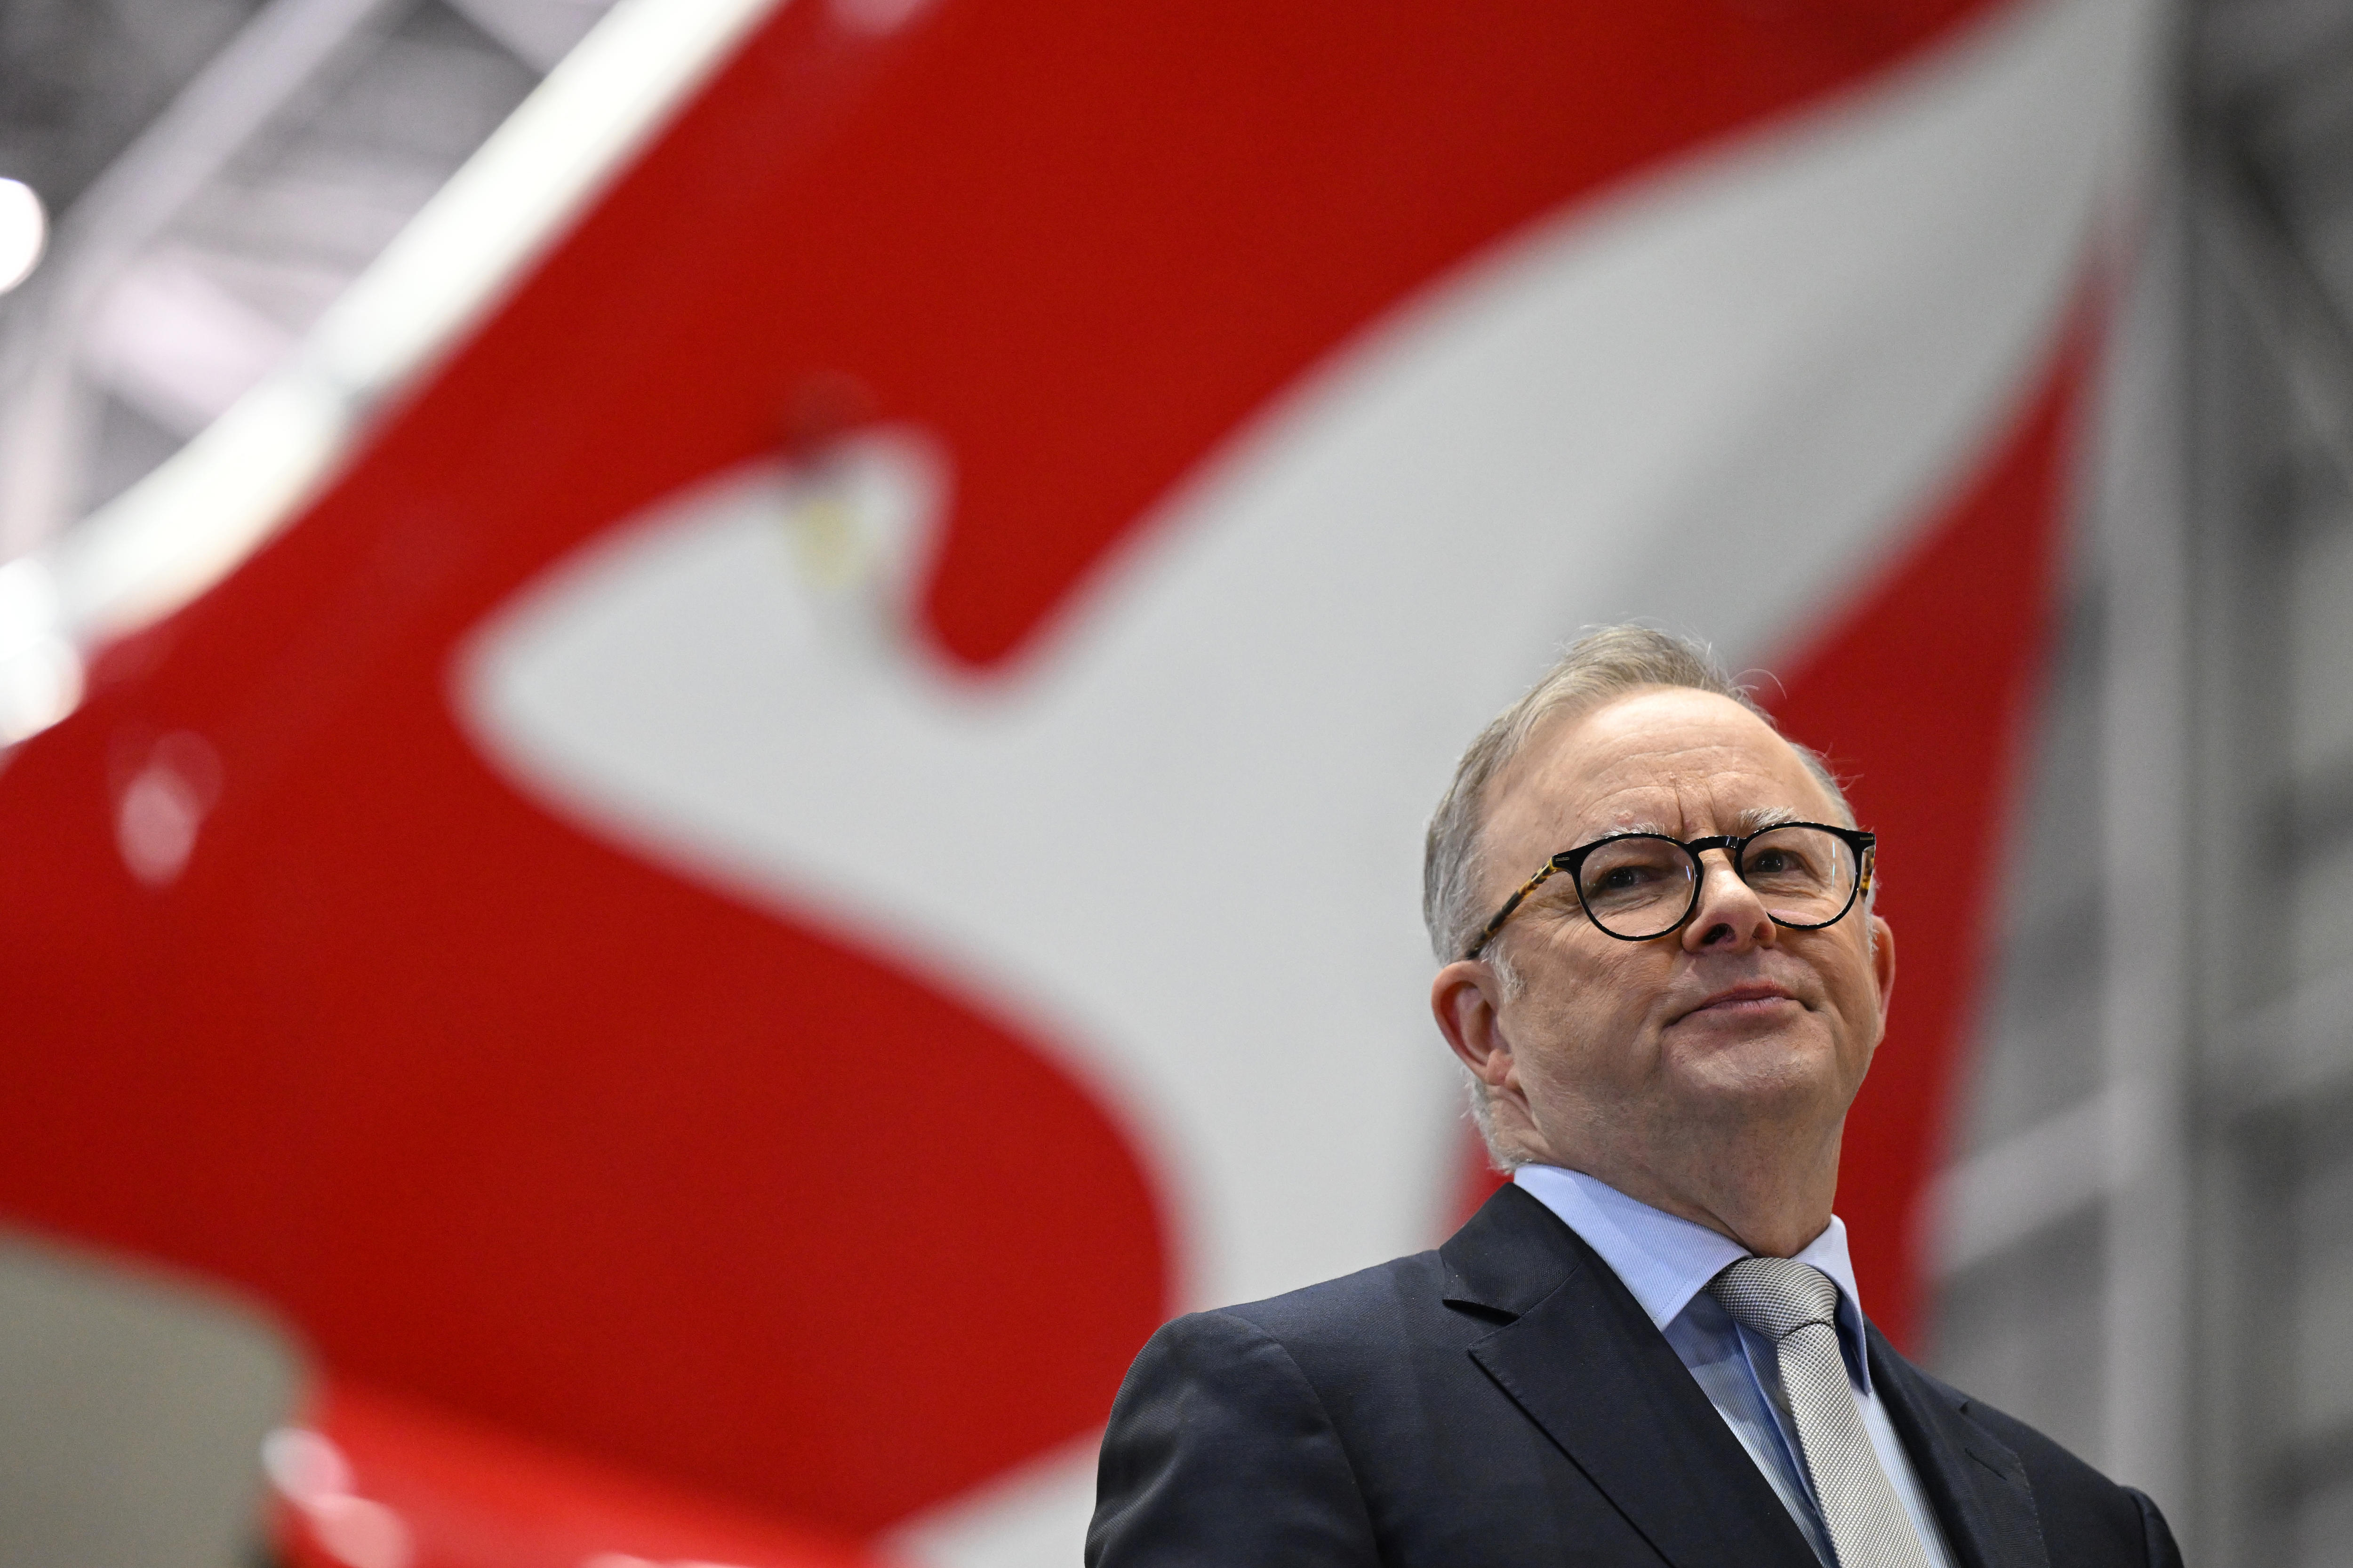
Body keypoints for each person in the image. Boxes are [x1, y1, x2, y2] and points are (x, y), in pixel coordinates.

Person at [1086, 626, 2182, 1568]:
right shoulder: (1295, 1407)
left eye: (1784, 861)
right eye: (1628, 877)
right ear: (1487, 1027)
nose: (1733, 907)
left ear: (1877, 976)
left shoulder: (2088, 1528)